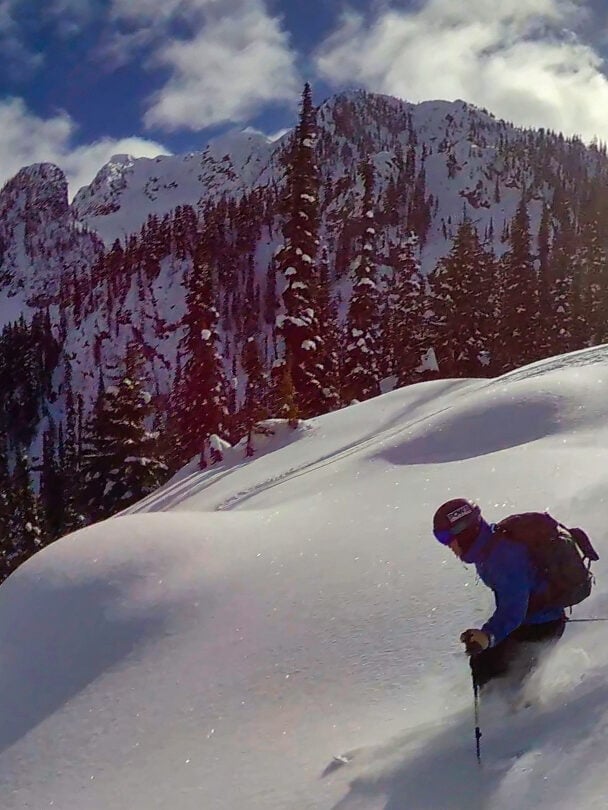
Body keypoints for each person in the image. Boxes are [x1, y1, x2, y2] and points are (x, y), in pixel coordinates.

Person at [433, 498, 567, 690]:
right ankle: (509, 712)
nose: (447, 545)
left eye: (446, 537)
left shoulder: (503, 558)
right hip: (531, 622)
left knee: (499, 676)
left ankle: (519, 716)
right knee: (485, 664)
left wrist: (488, 636)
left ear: (464, 532)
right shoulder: (488, 549)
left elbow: (514, 610)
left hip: (541, 626)